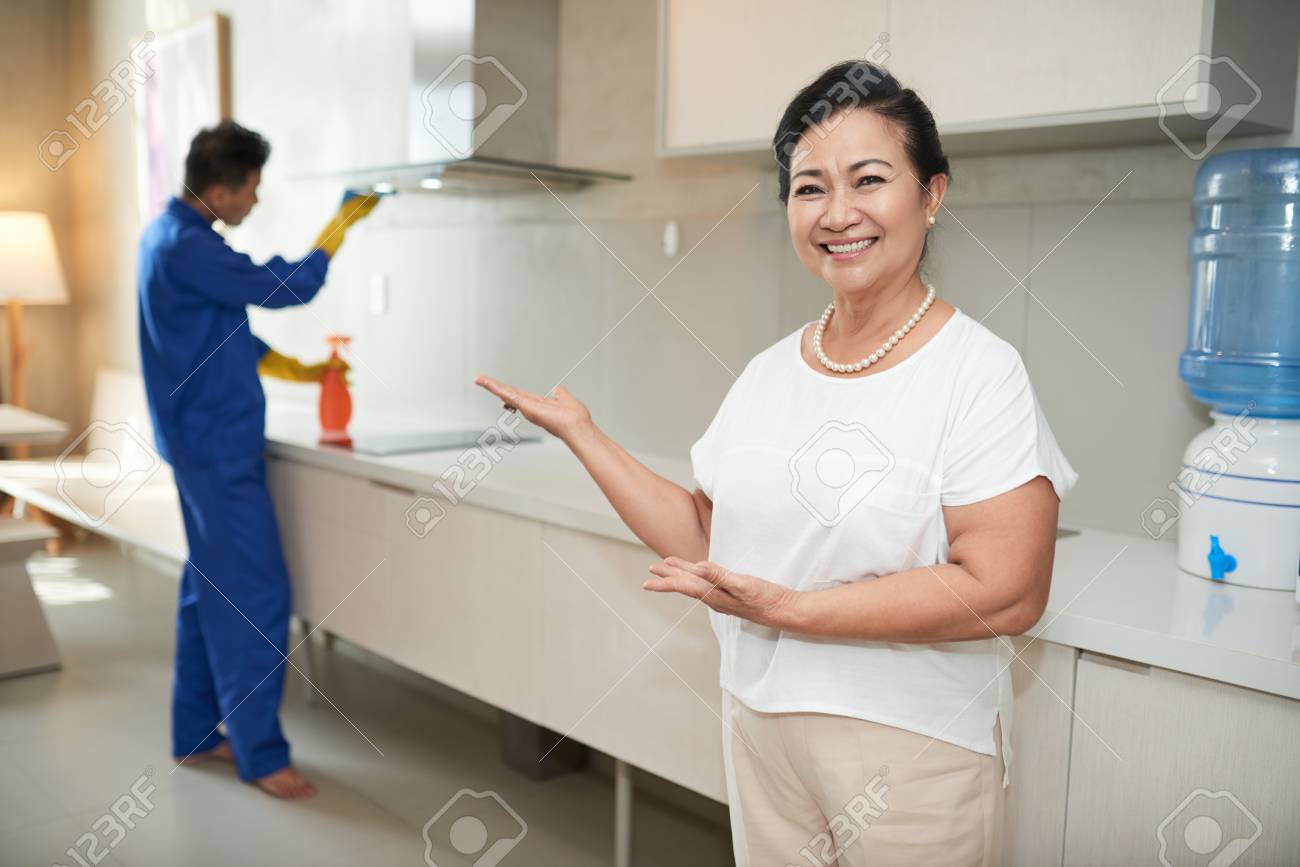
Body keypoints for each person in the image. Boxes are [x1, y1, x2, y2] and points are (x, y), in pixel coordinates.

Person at [475, 61, 1077, 865]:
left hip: (913, 752)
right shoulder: (769, 371)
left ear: (931, 195)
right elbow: (703, 532)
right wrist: (585, 434)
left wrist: (793, 609)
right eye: (809, 187)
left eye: (869, 179)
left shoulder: (979, 371)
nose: (838, 213)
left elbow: (1006, 588)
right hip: (759, 726)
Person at [137, 120, 378, 799]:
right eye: (251, 189)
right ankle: (260, 753)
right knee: (255, 595)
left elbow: (222, 330)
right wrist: (339, 228)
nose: (255, 201)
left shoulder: (172, 239)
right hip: (215, 448)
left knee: (206, 588)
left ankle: (194, 731)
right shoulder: (188, 246)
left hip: (200, 442)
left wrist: (296, 369)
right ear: (220, 189)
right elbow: (286, 287)